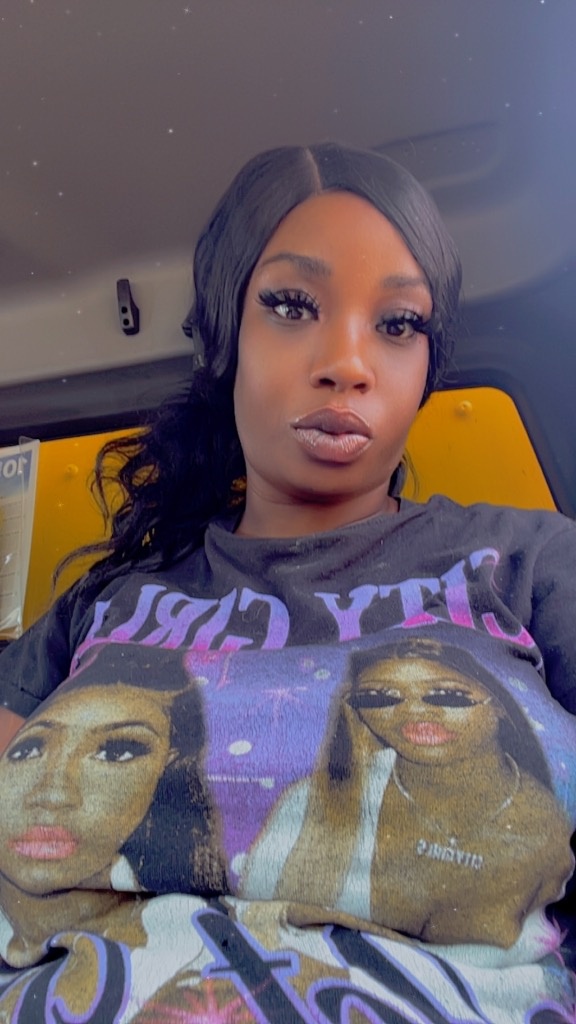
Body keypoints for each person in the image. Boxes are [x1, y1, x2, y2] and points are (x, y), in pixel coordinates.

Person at [0, 142, 574, 1022]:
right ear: (225, 333)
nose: (347, 362)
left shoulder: (529, 563)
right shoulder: (102, 604)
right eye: (292, 305)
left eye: (398, 324)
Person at [242, 638, 572, 948]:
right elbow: (271, 925)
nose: (414, 712)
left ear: (500, 704)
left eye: (446, 695)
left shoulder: (554, 818)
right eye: (378, 698)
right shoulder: (310, 800)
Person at [0, 642, 226, 964]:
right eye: (30, 748)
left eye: (116, 751)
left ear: (175, 760)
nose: (52, 795)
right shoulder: (81, 613)